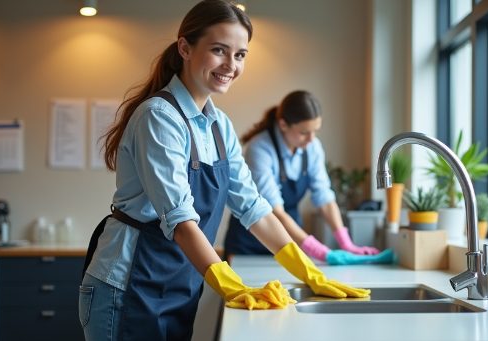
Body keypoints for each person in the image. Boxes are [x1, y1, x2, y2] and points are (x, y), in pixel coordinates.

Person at [78, 1, 369, 340]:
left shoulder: (220, 126)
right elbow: (180, 219)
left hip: (179, 281)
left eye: (241, 54)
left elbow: (253, 208)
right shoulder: (158, 117)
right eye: (219, 50)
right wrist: (231, 285)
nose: (231, 65)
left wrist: (309, 272)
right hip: (127, 285)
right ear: (185, 48)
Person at [224, 90, 381, 262]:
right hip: (249, 242)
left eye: (315, 131)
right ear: (283, 125)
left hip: (289, 239)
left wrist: (347, 244)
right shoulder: (260, 149)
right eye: (304, 132)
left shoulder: (312, 147)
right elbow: (275, 212)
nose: (311, 139)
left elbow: (325, 200)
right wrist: (319, 251)